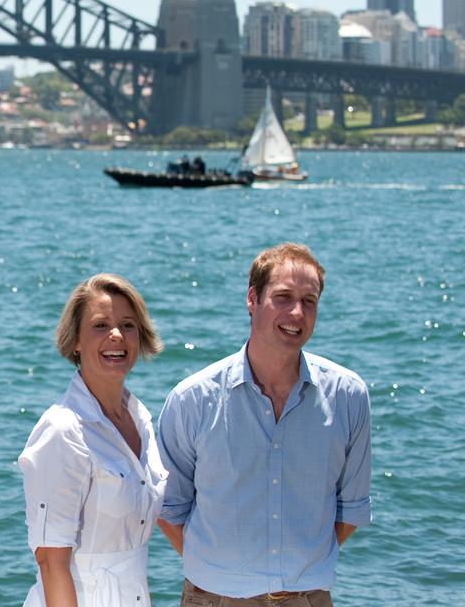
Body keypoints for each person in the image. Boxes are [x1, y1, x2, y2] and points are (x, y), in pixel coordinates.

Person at [156, 243, 371, 606]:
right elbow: (168, 508)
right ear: (252, 299)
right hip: (213, 599)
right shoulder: (193, 399)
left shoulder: (348, 396)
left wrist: (298, 571)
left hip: (307, 599)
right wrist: (221, 575)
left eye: (310, 301)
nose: (297, 312)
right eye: (284, 297)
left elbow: (351, 509)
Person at [18, 274, 167, 606]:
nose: (116, 335)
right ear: (76, 341)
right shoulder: (63, 431)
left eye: (128, 325)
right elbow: (51, 562)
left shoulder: (141, 420)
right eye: (100, 326)